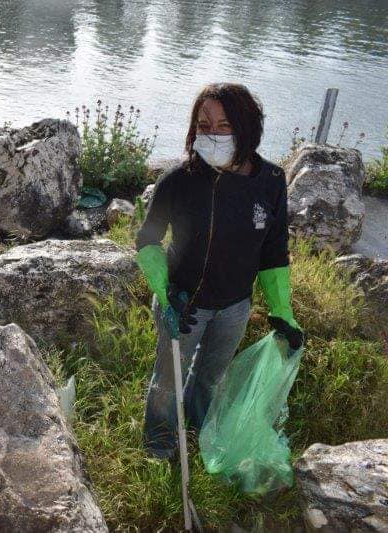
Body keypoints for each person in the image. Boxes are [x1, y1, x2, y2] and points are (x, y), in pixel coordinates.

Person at [135, 82, 304, 459]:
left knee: (210, 377)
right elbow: (147, 239)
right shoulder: (178, 180)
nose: (211, 133)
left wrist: (282, 311)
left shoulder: (271, 182)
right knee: (167, 382)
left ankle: (196, 434)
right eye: (203, 124)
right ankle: (160, 445)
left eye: (224, 124)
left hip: (234, 308)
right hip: (183, 303)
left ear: (247, 128)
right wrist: (166, 294)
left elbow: (275, 251)